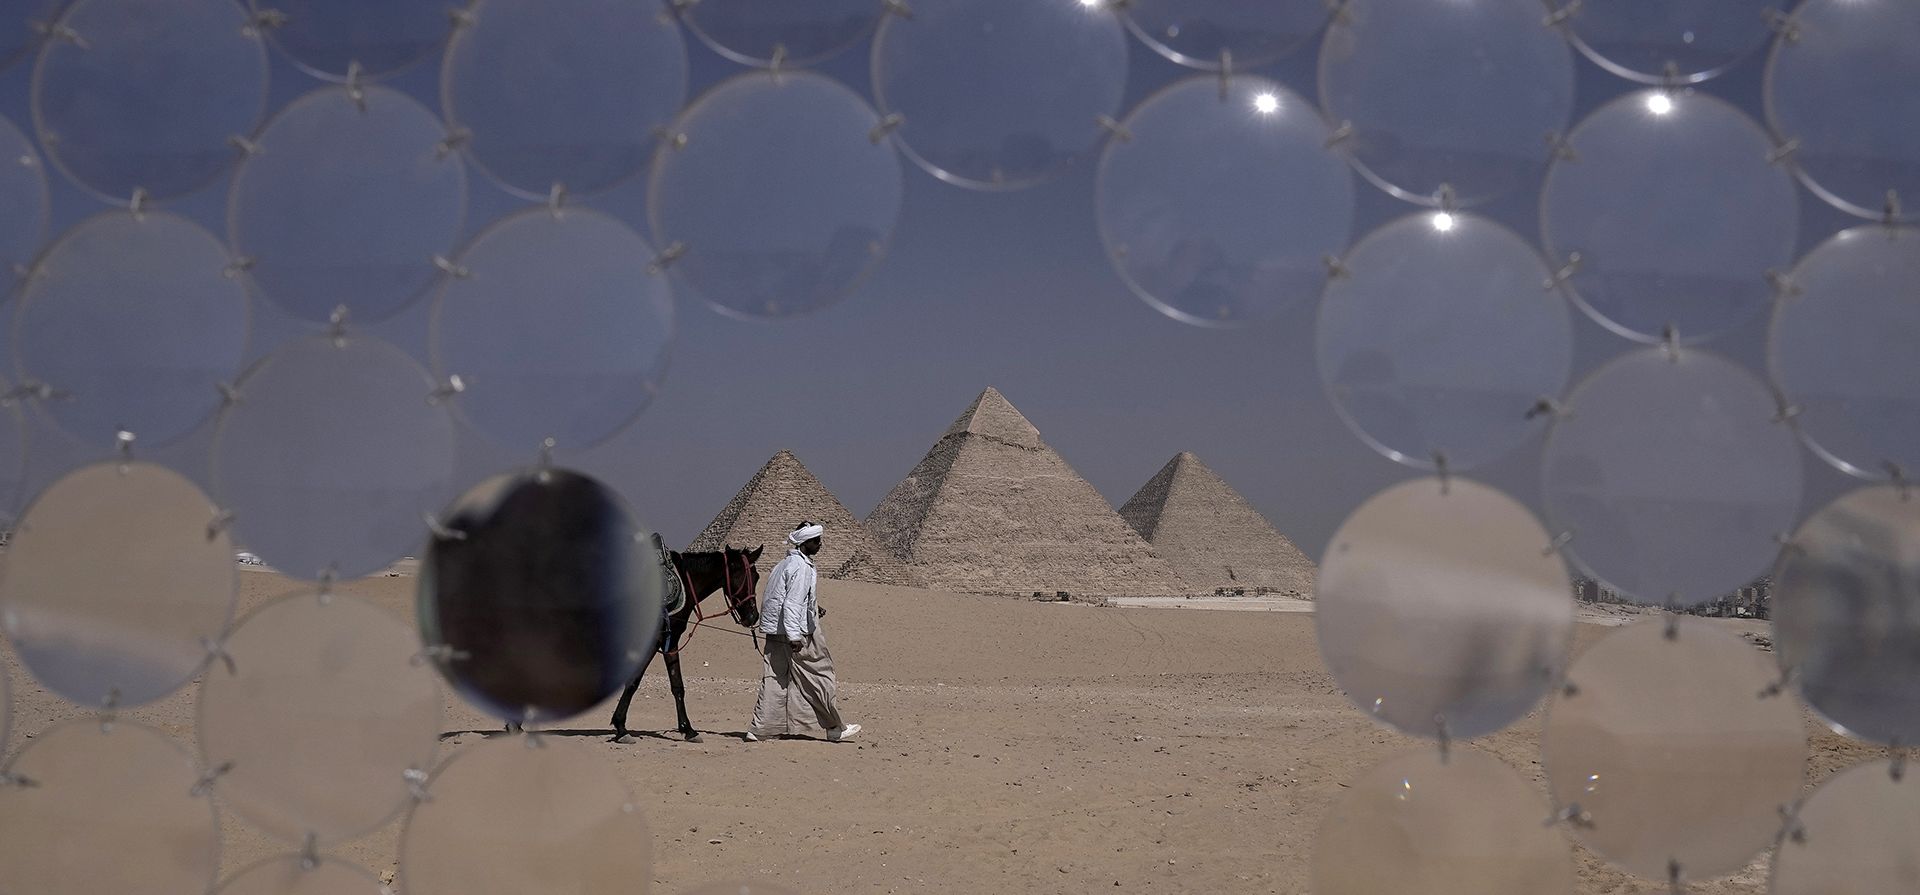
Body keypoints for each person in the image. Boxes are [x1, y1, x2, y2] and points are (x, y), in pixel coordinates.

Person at [747, 521, 861, 743]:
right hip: (796, 632)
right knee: (819, 675)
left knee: (775, 677)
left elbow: (781, 597)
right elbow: (791, 602)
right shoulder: (801, 567)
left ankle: (759, 729)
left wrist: (813, 608)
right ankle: (834, 727)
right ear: (804, 542)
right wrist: (794, 636)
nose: (820, 544)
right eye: (816, 541)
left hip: (776, 630)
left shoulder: (783, 564)